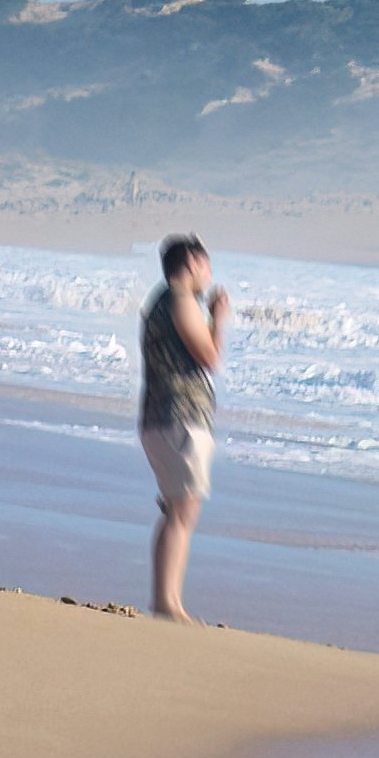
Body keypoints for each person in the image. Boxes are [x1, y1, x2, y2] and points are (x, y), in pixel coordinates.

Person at [135, 234, 226, 621]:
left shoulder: (160, 300)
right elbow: (209, 356)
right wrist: (218, 319)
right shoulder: (180, 298)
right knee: (183, 513)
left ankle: (166, 600)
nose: (209, 275)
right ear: (190, 264)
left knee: (176, 509)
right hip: (180, 416)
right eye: (206, 266)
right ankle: (167, 603)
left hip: (161, 415)